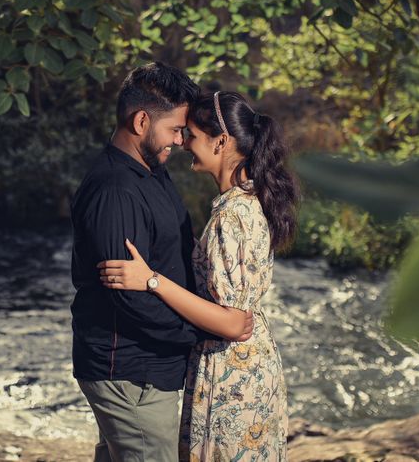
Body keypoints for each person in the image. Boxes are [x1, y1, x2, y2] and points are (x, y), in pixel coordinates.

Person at [99, 90, 298, 461]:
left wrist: (151, 280)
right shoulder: (245, 202)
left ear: (221, 141)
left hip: (232, 372)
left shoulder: (231, 217)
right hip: (250, 366)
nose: (183, 143)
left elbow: (234, 322)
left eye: (190, 134)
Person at [71, 64, 254, 462]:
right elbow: (129, 300)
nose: (182, 140)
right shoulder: (115, 190)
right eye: (175, 129)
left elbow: (172, 255)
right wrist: (201, 330)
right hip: (130, 372)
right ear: (141, 121)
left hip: (151, 368)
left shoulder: (152, 172)